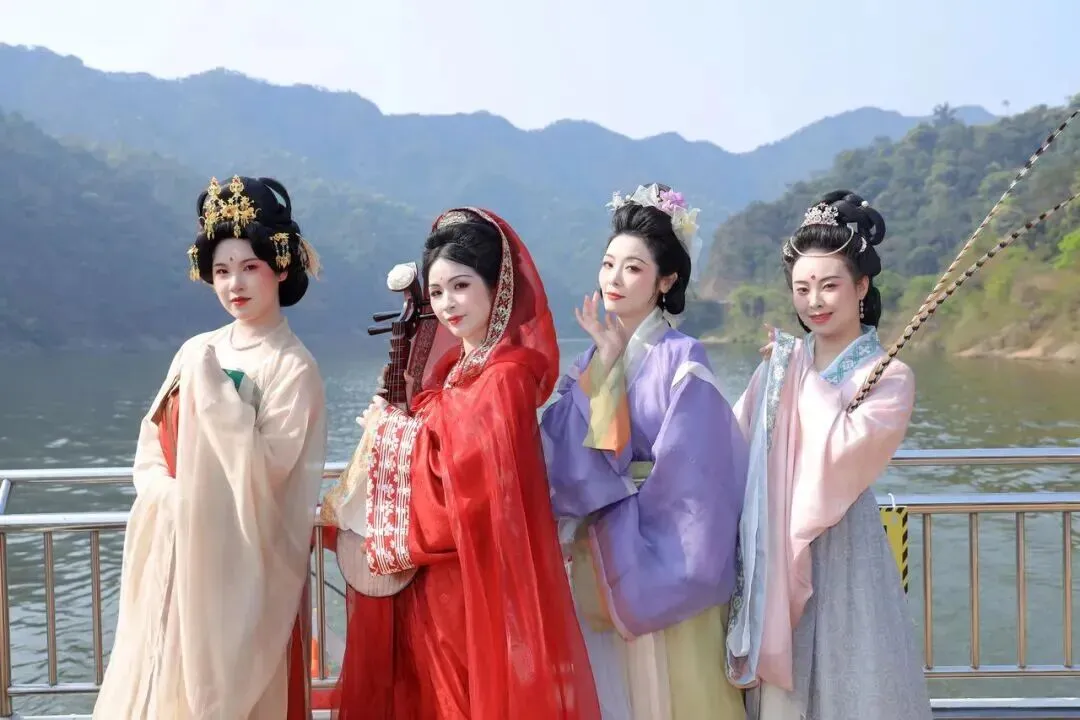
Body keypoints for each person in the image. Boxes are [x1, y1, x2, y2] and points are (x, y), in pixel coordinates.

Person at [320, 207, 601, 720]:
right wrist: (402, 425)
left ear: (498, 288)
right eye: (437, 291)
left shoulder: (505, 377)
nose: (447, 303)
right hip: (433, 583)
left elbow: (468, 484)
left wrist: (390, 431)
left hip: (472, 584)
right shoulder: (454, 372)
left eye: (461, 286)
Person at [93, 176, 328, 719]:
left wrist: (216, 395)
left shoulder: (293, 367)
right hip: (175, 545)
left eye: (249, 267)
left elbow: (269, 476)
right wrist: (170, 496)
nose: (234, 284)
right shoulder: (196, 350)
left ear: (281, 267)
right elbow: (151, 444)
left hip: (238, 567)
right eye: (221, 271)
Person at [540, 183, 749, 719]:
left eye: (633, 268)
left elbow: (695, 478)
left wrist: (627, 528)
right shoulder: (590, 360)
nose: (614, 278)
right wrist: (606, 364)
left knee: (668, 696)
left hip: (662, 557)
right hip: (601, 552)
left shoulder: (684, 358)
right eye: (608, 264)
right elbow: (571, 455)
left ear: (667, 280)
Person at [726, 190, 932, 719]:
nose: (814, 301)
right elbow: (732, 443)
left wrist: (800, 375)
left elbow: (841, 459)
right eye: (802, 289)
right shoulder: (779, 367)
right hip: (772, 545)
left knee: (850, 684)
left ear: (861, 287)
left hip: (844, 552)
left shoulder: (888, 378)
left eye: (829, 285)